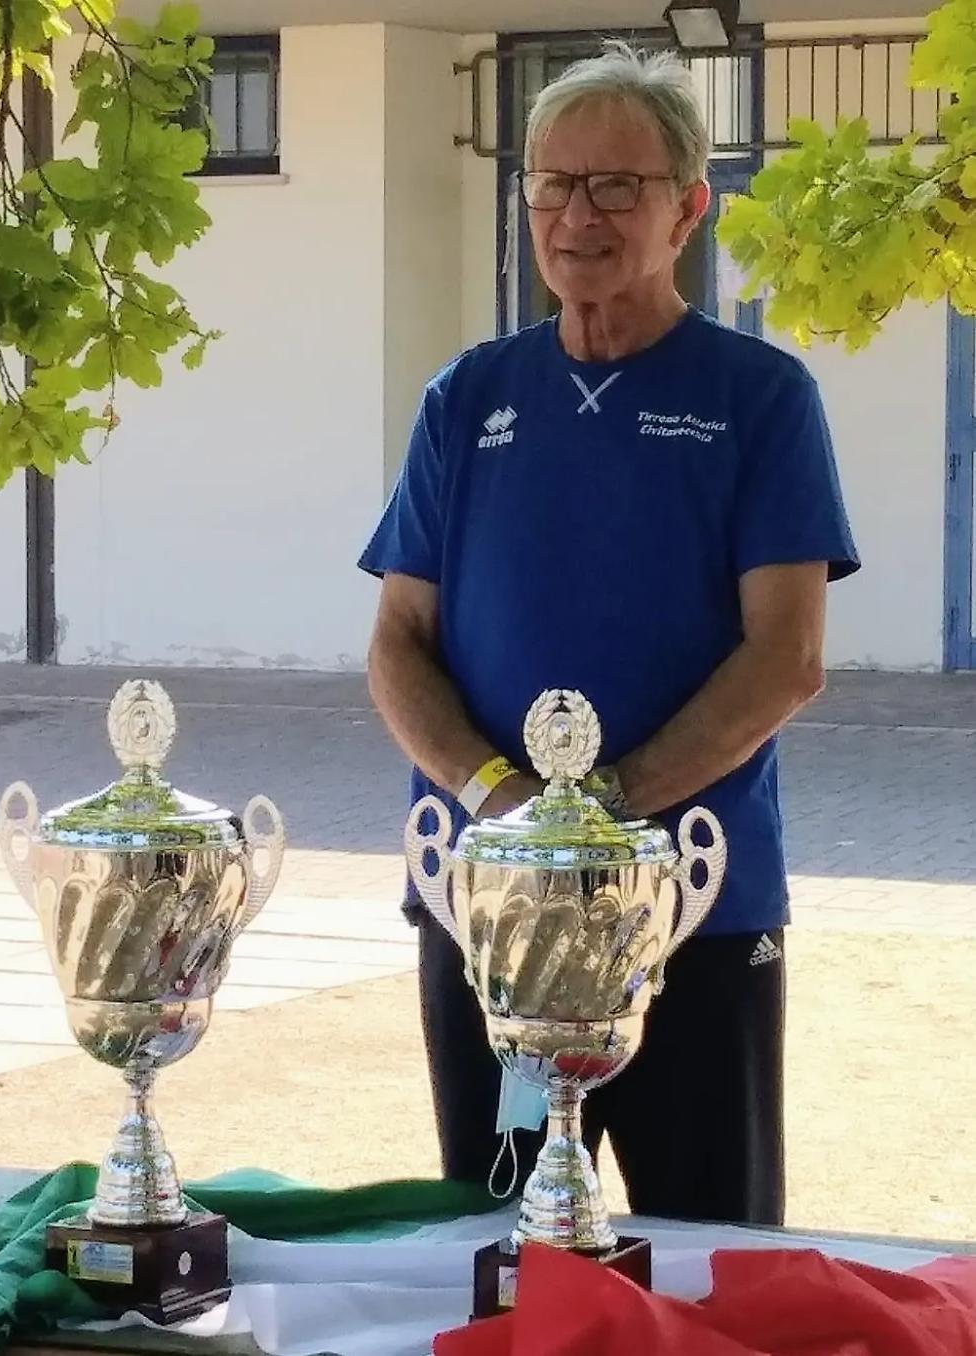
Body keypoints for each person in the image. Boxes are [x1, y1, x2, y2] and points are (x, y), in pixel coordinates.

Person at [358, 43, 859, 1227]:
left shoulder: (760, 398)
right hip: (490, 911)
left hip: (692, 906)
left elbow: (786, 658)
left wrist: (603, 824)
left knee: (710, 1256)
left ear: (688, 208)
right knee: (502, 1251)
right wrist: (506, 809)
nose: (577, 215)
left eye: (616, 187)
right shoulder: (467, 399)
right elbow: (396, 644)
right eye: (553, 183)